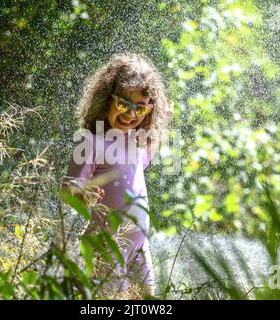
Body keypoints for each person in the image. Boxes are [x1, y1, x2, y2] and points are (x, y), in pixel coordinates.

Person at [61, 53, 173, 297]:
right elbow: (66, 188)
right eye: (123, 104)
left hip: (139, 247)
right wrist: (80, 194)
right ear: (105, 100)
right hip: (106, 245)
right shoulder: (91, 141)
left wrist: (164, 116)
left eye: (140, 108)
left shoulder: (137, 141)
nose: (130, 114)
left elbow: (149, 152)